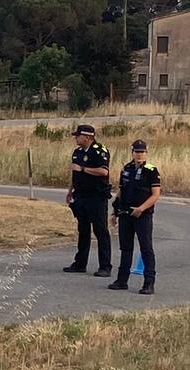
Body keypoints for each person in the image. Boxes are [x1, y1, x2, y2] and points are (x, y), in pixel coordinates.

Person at [108, 139, 161, 295]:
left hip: (142, 215)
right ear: (132, 152)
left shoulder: (152, 170)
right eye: (137, 152)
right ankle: (121, 280)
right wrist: (114, 212)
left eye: (142, 152)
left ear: (146, 153)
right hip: (126, 213)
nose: (139, 155)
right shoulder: (127, 168)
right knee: (126, 248)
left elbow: (155, 194)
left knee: (146, 248)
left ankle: (148, 283)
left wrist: (142, 208)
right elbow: (121, 191)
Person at [63, 124, 112, 277]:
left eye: (78, 136)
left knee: (100, 230)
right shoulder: (77, 152)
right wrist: (70, 190)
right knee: (83, 230)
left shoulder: (99, 151)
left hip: (96, 196)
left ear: (87, 137)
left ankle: (105, 266)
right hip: (81, 196)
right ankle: (80, 263)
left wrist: (83, 169)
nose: (76, 138)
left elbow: (103, 171)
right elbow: (74, 173)